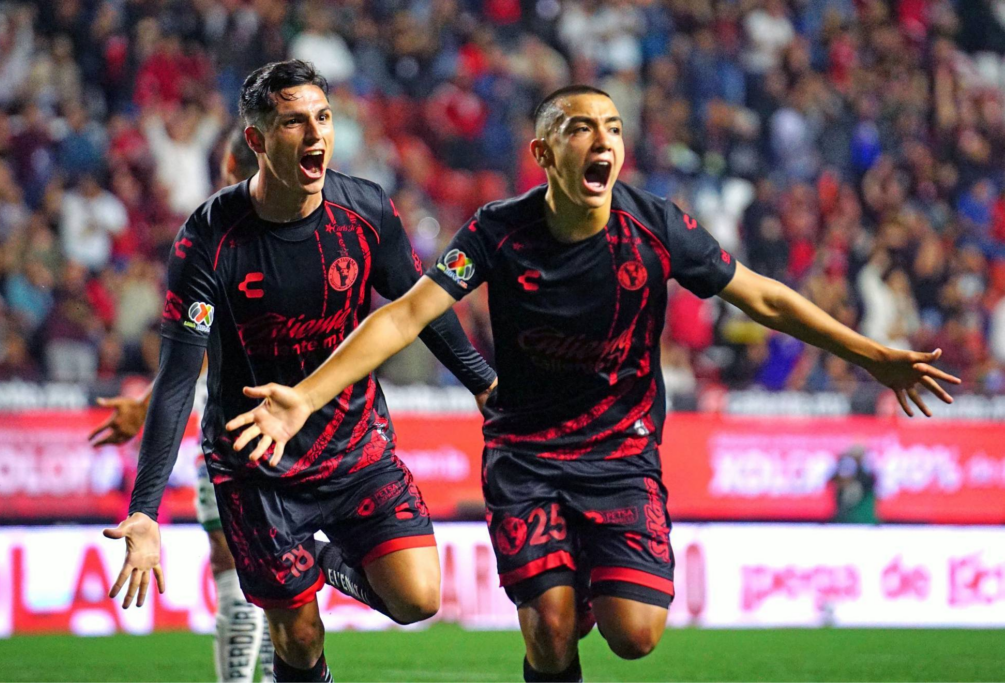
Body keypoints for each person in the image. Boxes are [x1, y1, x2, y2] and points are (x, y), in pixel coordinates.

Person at [224, 85, 961, 682]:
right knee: (548, 629)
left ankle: (583, 597)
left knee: (635, 636)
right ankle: (554, 622)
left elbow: (761, 295)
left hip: (621, 458)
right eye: (580, 127)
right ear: (545, 153)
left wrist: (869, 353)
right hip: (526, 457)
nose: (602, 138)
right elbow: (407, 313)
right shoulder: (495, 232)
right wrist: (306, 393)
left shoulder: (656, 226)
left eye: (611, 126)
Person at [101, 60, 497, 683]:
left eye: (322, 118)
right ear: (256, 141)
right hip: (257, 465)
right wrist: (146, 510)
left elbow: (419, 305)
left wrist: (484, 383)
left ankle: (318, 558)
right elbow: (179, 379)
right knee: (300, 639)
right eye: (293, 123)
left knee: (418, 598)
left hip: (355, 449)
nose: (315, 135)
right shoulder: (208, 239)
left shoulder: (365, 211)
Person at [90, 128, 276, 683]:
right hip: (288, 432)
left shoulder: (215, 242)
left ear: (234, 167)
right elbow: (191, 354)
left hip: (236, 432)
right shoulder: (290, 239)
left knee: (242, 567)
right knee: (269, 571)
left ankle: (245, 680)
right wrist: (148, 403)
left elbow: (192, 353)